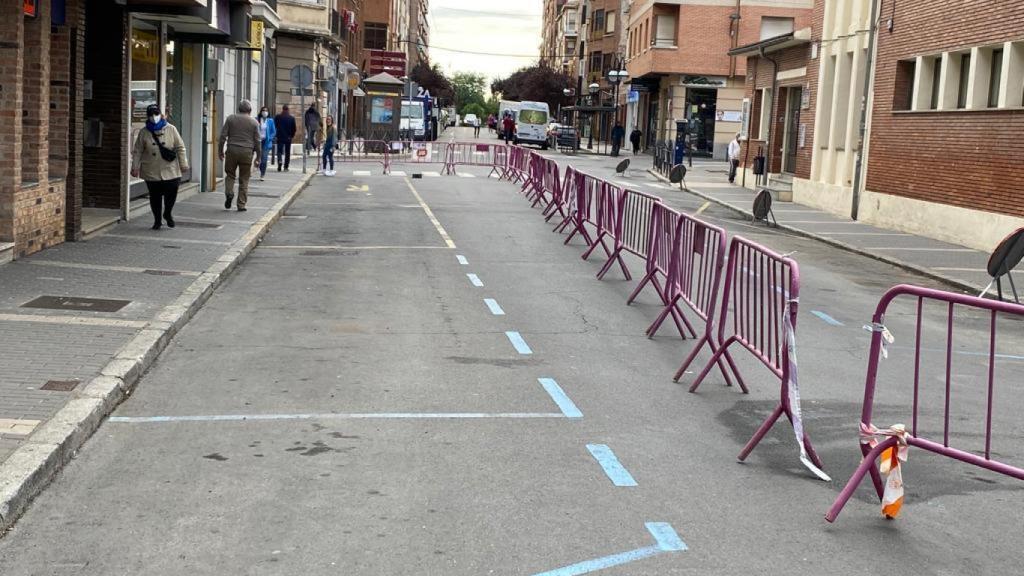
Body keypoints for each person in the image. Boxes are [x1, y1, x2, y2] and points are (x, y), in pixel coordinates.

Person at [131, 104, 188, 230]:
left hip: (171, 169)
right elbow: (137, 151)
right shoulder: (144, 132)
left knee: (171, 193)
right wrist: (135, 167)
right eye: (151, 114)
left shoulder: (171, 129)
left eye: (156, 114)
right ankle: (157, 220)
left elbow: (180, 147)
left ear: (161, 115)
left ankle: (167, 213)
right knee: (155, 196)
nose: (154, 117)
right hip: (151, 169)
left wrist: (183, 164)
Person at [218, 99, 261, 212]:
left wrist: (220, 151)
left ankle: (229, 193)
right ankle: (241, 205)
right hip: (247, 152)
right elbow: (258, 141)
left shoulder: (231, 119)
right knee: (244, 179)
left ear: (238, 109)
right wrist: (258, 157)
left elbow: (222, 136)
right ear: (250, 110)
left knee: (230, 175)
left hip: (232, 150)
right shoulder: (254, 122)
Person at [274, 105, 296, 171]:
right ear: (288, 110)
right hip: (288, 138)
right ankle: (286, 167)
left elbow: (275, 126)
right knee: (287, 152)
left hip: (280, 137)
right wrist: (291, 136)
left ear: (282, 109)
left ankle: (280, 161)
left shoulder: (278, 117)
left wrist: (276, 135)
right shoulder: (291, 118)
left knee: (279, 151)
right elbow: (294, 129)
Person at [257, 105, 276, 181]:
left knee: (264, 158)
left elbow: (273, 131)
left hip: (266, 141)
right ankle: (260, 168)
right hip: (258, 141)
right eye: (263, 110)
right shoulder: (257, 120)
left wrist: (270, 138)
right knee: (259, 158)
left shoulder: (270, 121)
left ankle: (262, 174)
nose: (265, 112)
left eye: (266, 110)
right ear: (261, 112)